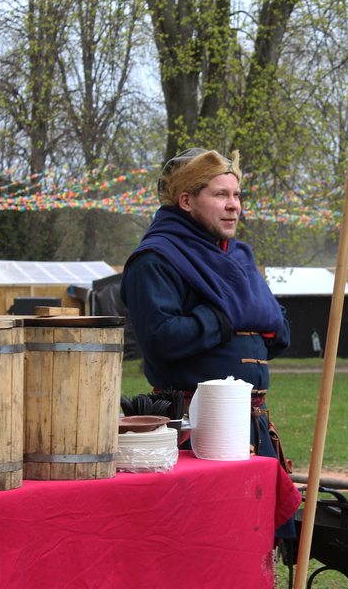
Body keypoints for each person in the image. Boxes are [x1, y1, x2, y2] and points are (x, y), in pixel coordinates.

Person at [119, 147, 292, 481]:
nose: (234, 205)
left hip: (252, 422)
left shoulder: (238, 256)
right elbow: (160, 339)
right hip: (194, 428)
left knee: (259, 529)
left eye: (237, 195)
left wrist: (244, 318)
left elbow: (279, 330)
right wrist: (223, 320)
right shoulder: (155, 260)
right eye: (220, 195)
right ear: (186, 201)